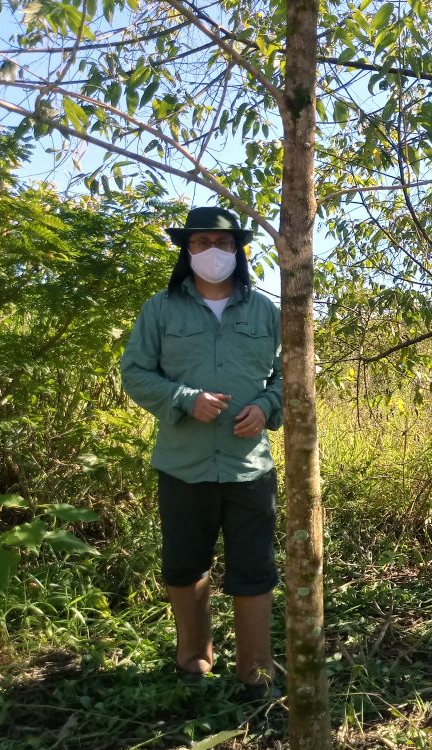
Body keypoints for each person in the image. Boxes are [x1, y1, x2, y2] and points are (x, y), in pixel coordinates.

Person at [121, 207, 282, 698]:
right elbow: (135, 373)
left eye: (224, 242)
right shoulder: (160, 309)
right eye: (201, 242)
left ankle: (256, 673)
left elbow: (288, 376)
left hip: (249, 466)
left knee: (254, 569)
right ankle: (193, 664)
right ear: (186, 249)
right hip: (182, 465)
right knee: (185, 565)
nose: (213, 251)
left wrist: (266, 406)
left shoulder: (266, 312)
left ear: (239, 250)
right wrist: (185, 400)